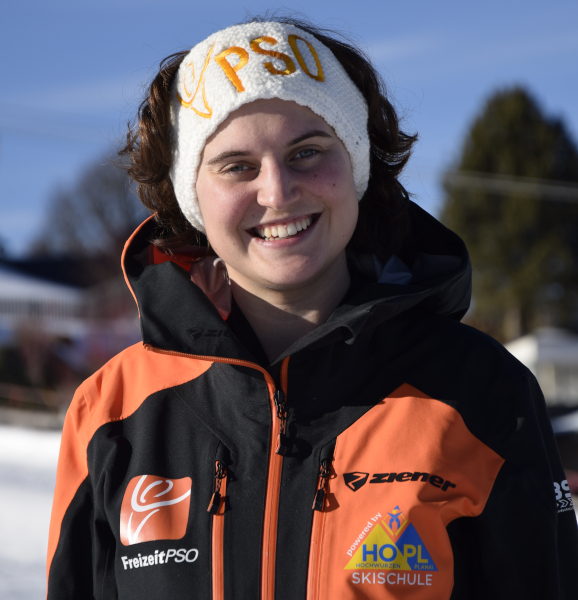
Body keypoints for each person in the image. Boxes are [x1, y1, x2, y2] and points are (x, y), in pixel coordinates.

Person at [46, 15, 578, 600]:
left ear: (356, 164)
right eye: (237, 166)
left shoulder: (482, 390)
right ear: (191, 195)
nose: (277, 191)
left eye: (307, 152)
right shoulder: (111, 412)